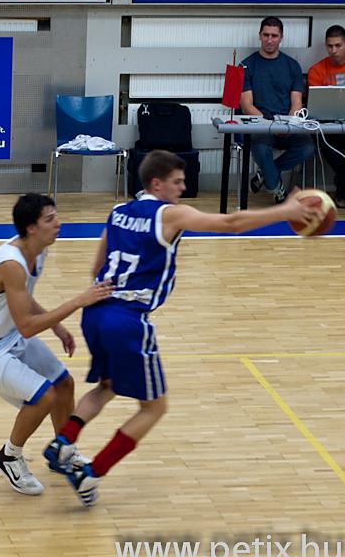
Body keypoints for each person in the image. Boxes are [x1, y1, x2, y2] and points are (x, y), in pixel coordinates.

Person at [42, 150, 318, 507]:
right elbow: (232, 224)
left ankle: (63, 441)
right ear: (156, 184)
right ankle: (91, 474)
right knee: (154, 408)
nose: (183, 188)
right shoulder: (170, 214)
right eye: (177, 182)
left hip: (94, 312)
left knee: (107, 386)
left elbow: (97, 267)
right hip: (127, 319)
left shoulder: (118, 212)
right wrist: (286, 211)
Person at [0, 193, 114, 496]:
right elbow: (26, 326)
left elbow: (22, 297)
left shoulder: (38, 250)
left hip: (4, 333)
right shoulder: (11, 263)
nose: (58, 223)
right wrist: (78, 301)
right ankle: (10, 456)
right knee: (43, 396)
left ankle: (64, 452)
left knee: (64, 385)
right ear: (31, 228)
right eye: (50, 219)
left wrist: (57, 327)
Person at [241, 16, 314, 204]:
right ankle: (278, 191)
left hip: (287, 124)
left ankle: (266, 173)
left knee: (307, 147)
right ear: (259, 35)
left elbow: (297, 101)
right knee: (260, 148)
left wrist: (287, 125)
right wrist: (271, 126)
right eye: (266, 35)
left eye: (274, 35)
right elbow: (247, 105)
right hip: (260, 126)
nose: (269, 40)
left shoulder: (292, 66)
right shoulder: (246, 65)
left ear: (281, 37)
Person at [307, 24, 345, 209]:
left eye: (338, 45)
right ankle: (342, 193)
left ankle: (342, 192)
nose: (333, 50)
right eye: (330, 46)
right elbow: (317, 107)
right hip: (326, 129)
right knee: (336, 153)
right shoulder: (317, 70)